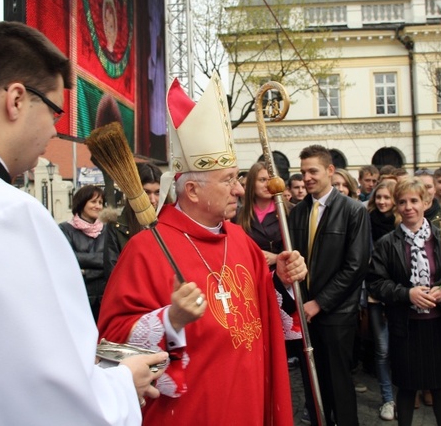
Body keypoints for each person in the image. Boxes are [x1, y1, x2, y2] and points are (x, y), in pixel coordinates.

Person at [0, 21, 166, 425]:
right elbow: (53, 404)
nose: (55, 128)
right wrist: (123, 384)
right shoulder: (5, 217)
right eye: (55, 110)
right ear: (17, 99)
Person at [97, 73, 307, 425]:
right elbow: (112, 344)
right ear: (192, 191)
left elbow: (264, 322)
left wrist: (280, 282)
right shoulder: (146, 249)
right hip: (191, 412)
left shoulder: (242, 241)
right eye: (228, 180)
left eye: (238, 178)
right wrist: (170, 319)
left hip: (248, 402)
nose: (239, 190)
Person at [367, 178, 441, 426]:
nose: (408, 207)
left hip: (439, 326)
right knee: (406, 387)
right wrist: (407, 293)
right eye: (402, 202)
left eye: (414, 201)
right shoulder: (387, 243)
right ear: (396, 206)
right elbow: (375, 283)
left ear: (426, 202)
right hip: (405, 327)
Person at [288, 145, 371, 426]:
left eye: (313, 171)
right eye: (303, 172)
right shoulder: (298, 213)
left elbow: (356, 265)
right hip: (305, 312)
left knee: (338, 382)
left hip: (337, 313)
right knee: (312, 381)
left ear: (330, 170)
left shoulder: (353, 211)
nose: (307, 177)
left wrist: (320, 302)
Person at [235, 162, 315, 422]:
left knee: (300, 349)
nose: (267, 184)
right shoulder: (240, 216)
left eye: (271, 178)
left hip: (287, 285)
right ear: (250, 186)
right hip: (256, 285)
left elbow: (299, 249)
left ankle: (310, 406)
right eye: (261, 180)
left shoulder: (288, 211)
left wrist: (274, 257)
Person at [367, 180, 399, 421]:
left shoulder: (401, 224)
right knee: (382, 349)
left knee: (402, 348)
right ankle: (387, 398)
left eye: (387, 197)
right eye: (379, 197)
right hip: (375, 293)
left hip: (400, 295)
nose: (382, 202)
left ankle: (407, 394)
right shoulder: (366, 220)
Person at [103, 162, 162, 275]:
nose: (153, 200)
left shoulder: (171, 221)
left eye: (157, 192)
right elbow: (113, 273)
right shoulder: (117, 227)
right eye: (146, 192)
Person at [59, 184, 107, 321]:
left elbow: (111, 261)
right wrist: (101, 264)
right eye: (93, 201)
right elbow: (68, 258)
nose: (97, 206)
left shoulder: (108, 230)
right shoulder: (65, 229)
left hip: (104, 299)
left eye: (100, 202)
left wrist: (86, 271)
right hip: (78, 298)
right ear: (81, 203)